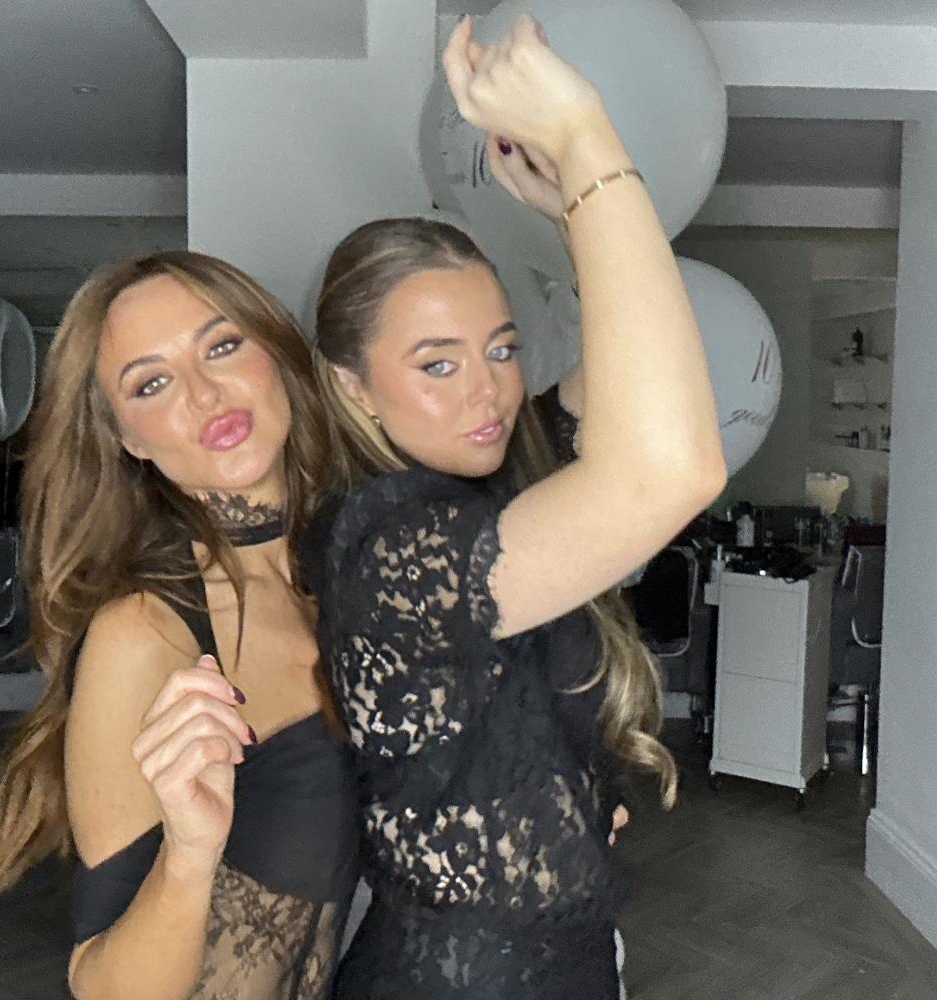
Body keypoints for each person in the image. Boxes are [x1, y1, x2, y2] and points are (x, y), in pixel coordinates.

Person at [303, 16, 726, 999]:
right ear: (354, 387)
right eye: (436, 364)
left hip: (566, 960)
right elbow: (674, 468)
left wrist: (576, 221)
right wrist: (583, 136)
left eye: (500, 348)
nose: (487, 390)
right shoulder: (386, 547)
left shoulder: (495, 479)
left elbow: (643, 393)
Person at [0, 251, 359, 1000]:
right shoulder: (145, 634)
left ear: (277, 352)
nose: (205, 394)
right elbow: (102, 986)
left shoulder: (352, 571)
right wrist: (188, 853)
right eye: (151, 383)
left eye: (223, 345)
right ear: (129, 439)